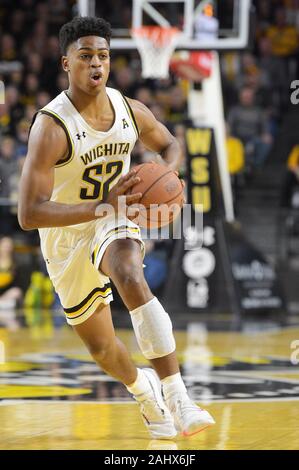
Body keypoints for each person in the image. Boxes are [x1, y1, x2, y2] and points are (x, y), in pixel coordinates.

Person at [18, 16, 215, 439]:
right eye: (85, 56)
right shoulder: (51, 127)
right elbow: (29, 214)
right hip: (65, 236)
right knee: (103, 348)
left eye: (103, 56)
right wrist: (99, 206)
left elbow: (169, 143)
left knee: (129, 271)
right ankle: (143, 391)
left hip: (114, 217)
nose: (96, 65)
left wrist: (168, 177)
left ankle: (179, 396)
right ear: (66, 62)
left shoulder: (128, 109)